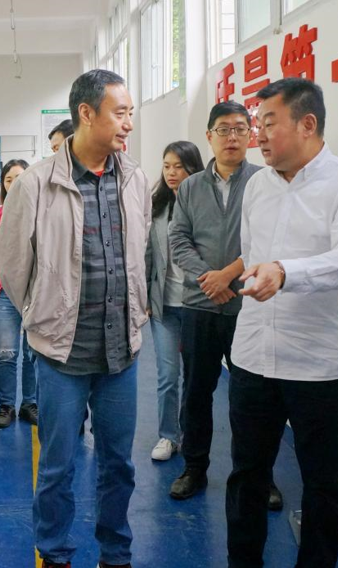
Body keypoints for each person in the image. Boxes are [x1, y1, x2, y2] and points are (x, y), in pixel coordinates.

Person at [0, 69, 150, 568]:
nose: (129, 124)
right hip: (61, 354)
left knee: (118, 466)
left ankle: (116, 554)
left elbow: (141, 252)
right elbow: (13, 267)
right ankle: (56, 554)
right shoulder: (36, 184)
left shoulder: (135, 179)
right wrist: (44, 312)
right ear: (86, 113)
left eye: (130, 113)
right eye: (120, 113)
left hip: (121, 352)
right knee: (57, 468)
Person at [226, 79, 338, 568]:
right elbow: (251, 252)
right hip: (253, 358)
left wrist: (286, 272)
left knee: (323, 487)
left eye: (269, 123)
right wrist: (264, 271)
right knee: (247, 477)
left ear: (307, 124)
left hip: (320, 366)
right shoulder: (257, 186)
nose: (258, 135)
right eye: (258, 124)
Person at [167, 102, 283, 507]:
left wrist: (228, 276)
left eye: (239, 129)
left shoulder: (266, 181)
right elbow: (178, 239)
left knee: (253, 398)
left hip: (248, 304)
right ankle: (194, 468)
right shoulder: (191, 187)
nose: (232, 137)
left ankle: (259, 477)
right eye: (223, 129)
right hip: (199, 306)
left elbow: (269, 240)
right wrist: (209, 278)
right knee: (196, 393)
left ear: (250, 135)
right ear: (209, 136)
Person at [145, 141, 205, 461]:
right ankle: (168, 436)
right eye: (167, 166)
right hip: (164, 307)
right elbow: (148, 254)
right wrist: (144, 295)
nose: (171, 172)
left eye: (178, 166)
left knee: (194, 378)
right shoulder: (157, 207)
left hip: (198, 306)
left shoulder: (206, 206)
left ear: (193, 168)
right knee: (168, 376)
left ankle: (189, 434)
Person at [0, 159, 36, 429]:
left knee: (33, 352)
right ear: (3, 185)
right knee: (5, 352)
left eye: (19, 178)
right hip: (3, 294)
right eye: (8, 180)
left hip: (33, 293)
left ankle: (30, 403)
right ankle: (6, 405)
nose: (14, 184)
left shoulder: (39, 213)